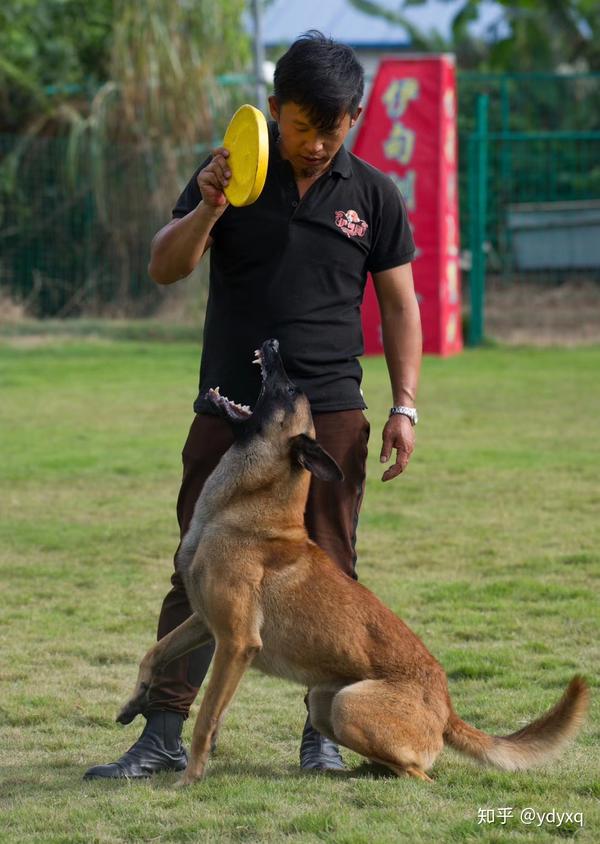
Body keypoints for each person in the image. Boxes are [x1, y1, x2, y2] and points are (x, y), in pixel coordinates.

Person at [84, 30, 421, 780]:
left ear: (356, 117)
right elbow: (164, 266)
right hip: (234, 409)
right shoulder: (230, 172)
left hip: (328, 414)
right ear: (274, 110)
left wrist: (405, 405)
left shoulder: (372, 193)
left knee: (331, 569)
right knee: (198, 563)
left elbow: (400, 306)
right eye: (302, 128)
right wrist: (207, 207)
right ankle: (162, 734)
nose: (316, 145)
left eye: (333, 130)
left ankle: (324, 736)